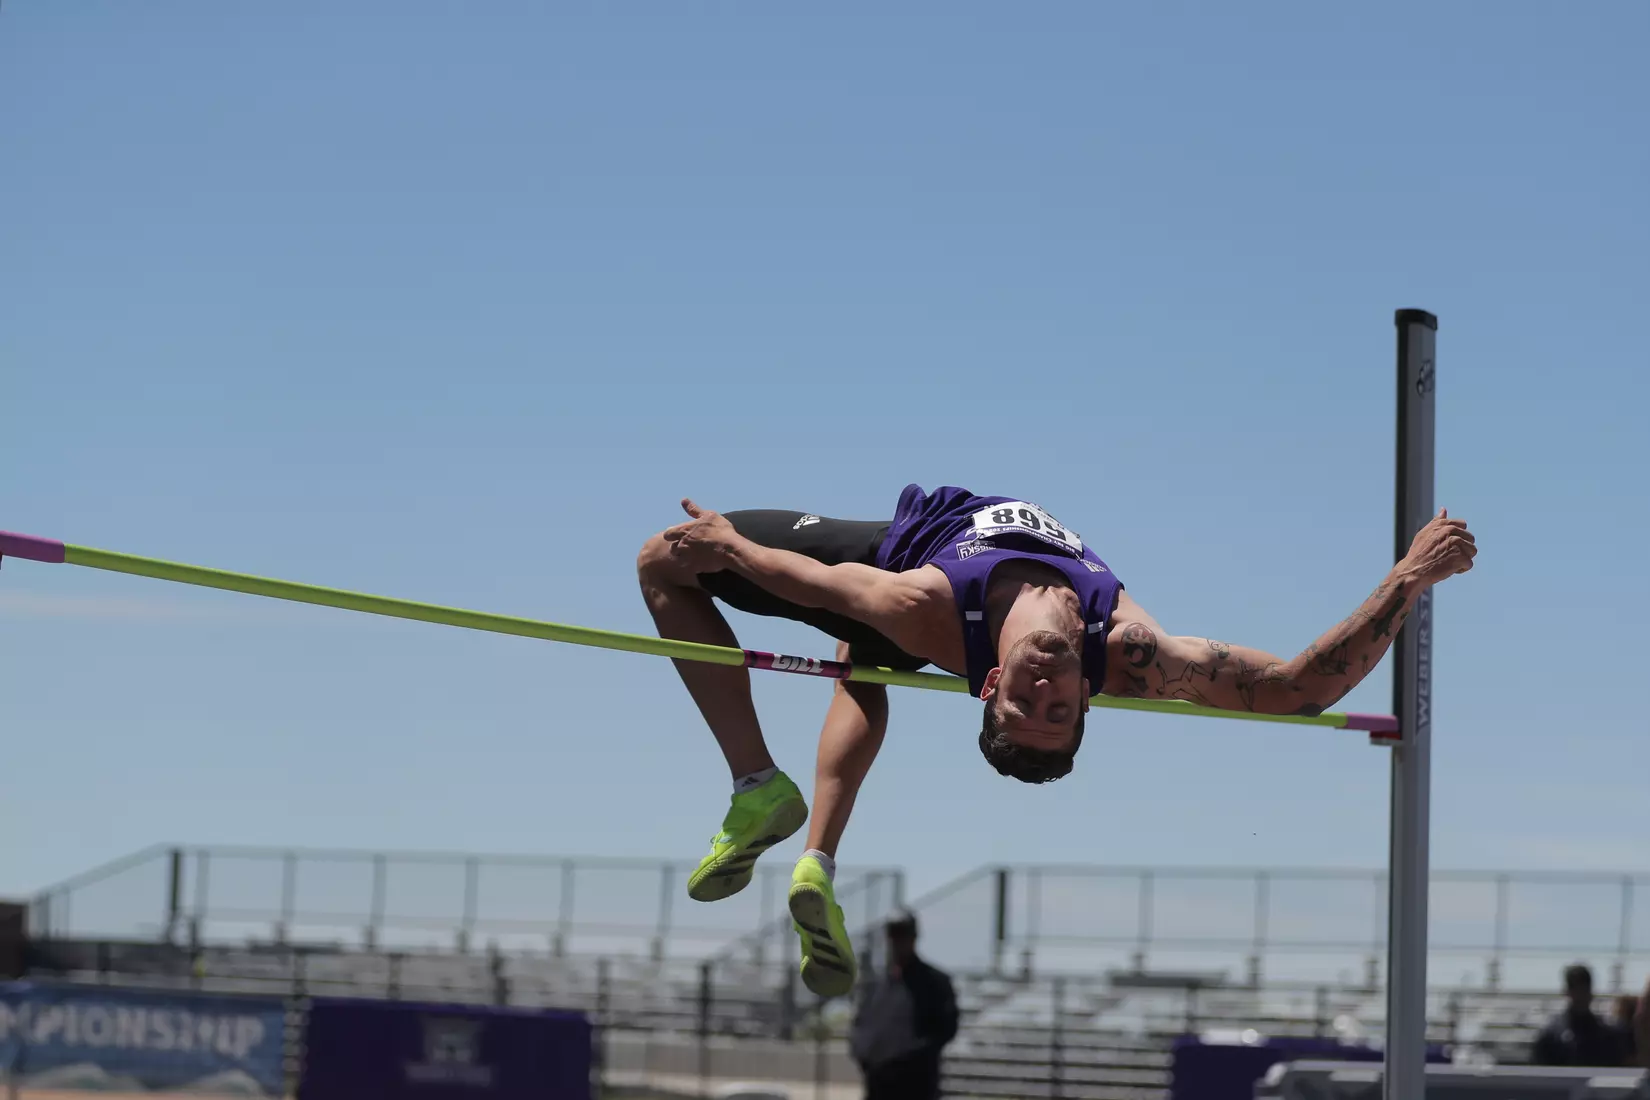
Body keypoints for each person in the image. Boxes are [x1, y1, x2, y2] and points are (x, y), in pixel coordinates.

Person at [635, 484, 1478, 996]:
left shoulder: (920, 605)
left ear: (992, 688)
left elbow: (819, 581)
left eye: (1025, 705)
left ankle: (761, 791)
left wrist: (733, 548)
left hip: (913, 553)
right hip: (922, 592)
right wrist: (1409, 577)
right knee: (865, 659)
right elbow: (1298, 688)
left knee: (669, 564)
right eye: (1060, 708)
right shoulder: (1132, 656)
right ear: (1088, 703)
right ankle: (807, 847)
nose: (1045, 689)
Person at [849, 910, 958, 1100]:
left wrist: (901, 1060)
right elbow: (860, 1027)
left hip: (916, 1089)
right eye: (893, 935)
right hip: (878, 1088)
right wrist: (865, 1056)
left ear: (914, 937)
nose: (898, 942)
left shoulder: (935, 984)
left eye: (903, 935)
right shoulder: (876, 986)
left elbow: (945, 1030)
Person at [1530, 964, 1625, 1067]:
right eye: (1576, 989)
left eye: (1584, 989)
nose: (1580, 995)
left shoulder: (1608, 1035)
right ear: (1567, 992)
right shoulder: (1551, 1036)